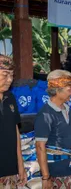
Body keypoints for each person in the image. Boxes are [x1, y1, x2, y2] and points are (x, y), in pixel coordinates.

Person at [34, 70, 71, 189]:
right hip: (57, 171)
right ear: (57, 90)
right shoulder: (45, 115)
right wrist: (46, 177)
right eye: (69, 89)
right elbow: (40, 146)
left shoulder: (67, 109)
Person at [0, 55, 27, 188]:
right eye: (5, 75)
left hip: (10, 169)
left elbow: (15, 130)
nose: (9, 80)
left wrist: (20, 165)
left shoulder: (10, 97)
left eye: (11, 75)